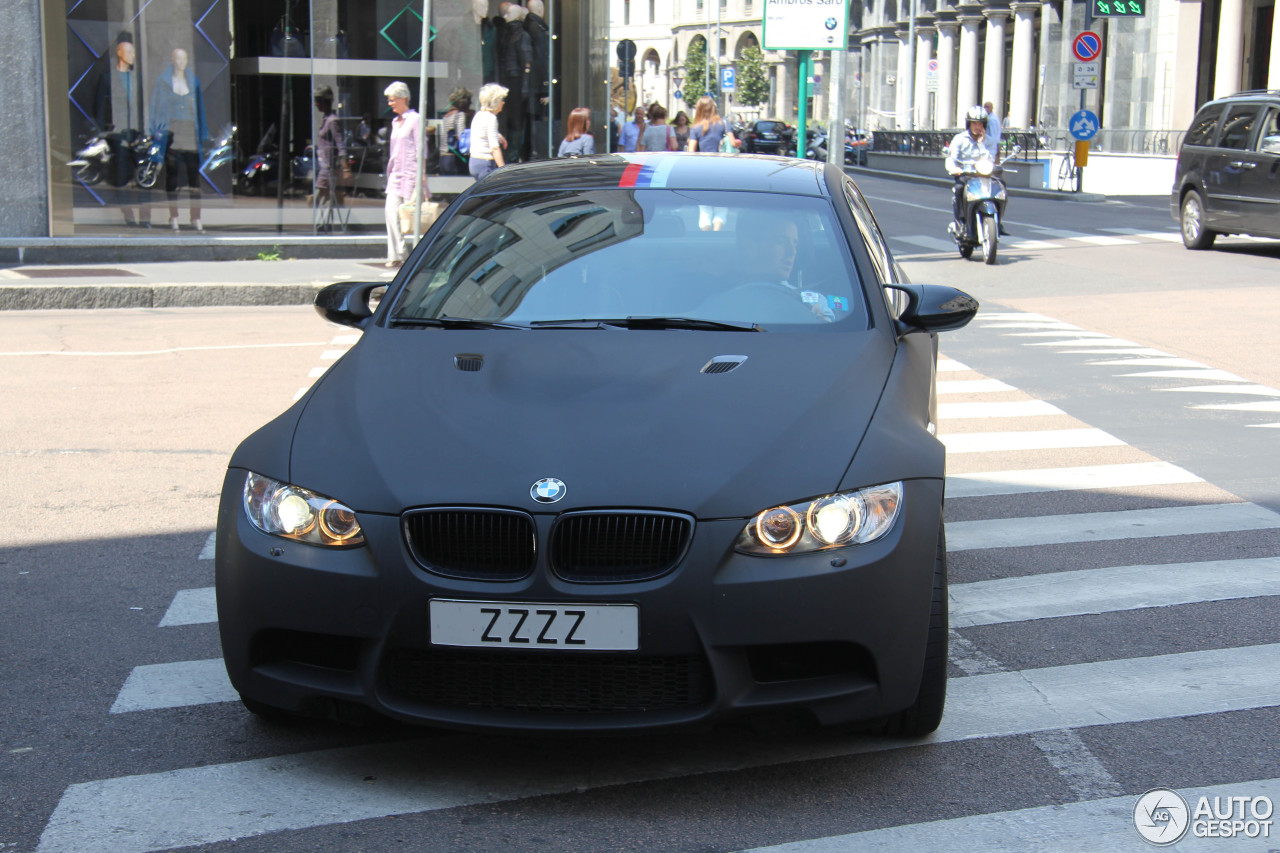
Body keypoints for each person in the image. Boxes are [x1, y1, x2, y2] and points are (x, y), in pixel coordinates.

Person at [734, 212, 834, 322]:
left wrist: (818, 321)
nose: (792, 252)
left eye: (795, 244)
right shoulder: (722, 302)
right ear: (751, 247)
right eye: (781, 242)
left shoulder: (814, 302)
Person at [150, 48, 207, 232]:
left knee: (194, 178)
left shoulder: (193, 81)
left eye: (184, 58)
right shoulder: (163, 82)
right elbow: (156, 107)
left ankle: (195, 217)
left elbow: (200, 110)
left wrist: (203, 133)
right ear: (172, 60)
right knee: (172, 175)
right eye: (178, 58)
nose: (181, 62)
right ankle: (173, 216)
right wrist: (155, 131)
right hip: (172, 132)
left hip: (190, 132)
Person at [93, 30, 146, 227]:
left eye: (134, 52)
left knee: (142, 174)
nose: (132, 56)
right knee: (123, 173)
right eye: (129, 51)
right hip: (117, 133)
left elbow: (142, 105)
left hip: (136, 132)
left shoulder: (137, 78)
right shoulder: (107, 79)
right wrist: (101, 134)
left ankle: (144, 215)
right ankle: (129, 214)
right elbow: (99, 108)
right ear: (119, 51)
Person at [383, 80, 427, 268]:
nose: (389, 104)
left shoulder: (415, 119)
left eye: (392, 100)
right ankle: (397, 254)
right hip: (395, 175)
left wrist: (422, 175)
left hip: (411, 174)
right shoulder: (395, 122)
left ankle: (420, 256)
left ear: (403, 99)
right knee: (390, 213)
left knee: (412, 217)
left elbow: (421, 146)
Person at [687, 95, 738, 230]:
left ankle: (706, 234)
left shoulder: (696, 128)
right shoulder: (724, 124)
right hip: (722, 169)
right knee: (720, 206)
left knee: (704, 209)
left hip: (703, 171)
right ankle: (717, 231)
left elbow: (691, 151)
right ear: (714, 108)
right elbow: (733, 143)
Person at [945, 105, 994, 234]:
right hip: (966, 174)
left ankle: (997, 221)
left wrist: (981, 143)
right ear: (969, 124)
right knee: (960, 189)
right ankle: (960, 222)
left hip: (984, 175)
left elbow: (991, 159)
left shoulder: (989, 141)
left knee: (1001, 188)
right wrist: (954, 168)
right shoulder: (959, 139)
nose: (977, 127)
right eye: (974, 124)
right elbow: (951, 157)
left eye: (980, 124)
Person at [495, 3, 532, 163]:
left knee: (516, 120)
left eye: (508, 13)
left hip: (516, 81)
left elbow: (527, 63)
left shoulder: (522, 35)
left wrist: (524, 86)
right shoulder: (506, 34)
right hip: (507, 81)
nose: (505, 16)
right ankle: (509, 152)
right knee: (506, 118)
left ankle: (514, 154)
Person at [312, 85, 348, 217]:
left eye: (318, 100)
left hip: (329, 168)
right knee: (321, 197)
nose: (316, 104)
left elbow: (340, 144)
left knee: (323, 198)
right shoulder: (326, 119)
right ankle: (322, 225)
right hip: (323, 166)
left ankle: (323, 228)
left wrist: (345, 167)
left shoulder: (333, 120)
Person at [469, 82, 509, 181]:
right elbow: (494, 148)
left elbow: (482, 133)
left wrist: (498, 135)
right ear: (495, 102)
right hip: (485, 163)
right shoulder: (491, 118)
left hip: (474, 162)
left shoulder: (479, 115)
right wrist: (503, 169)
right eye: (501, 100)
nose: (503, 103)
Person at [439, 87, 472, 175]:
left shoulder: (446, 116)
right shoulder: (459, 115)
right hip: (454, 159)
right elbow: (461, 138)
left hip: (443, 158)